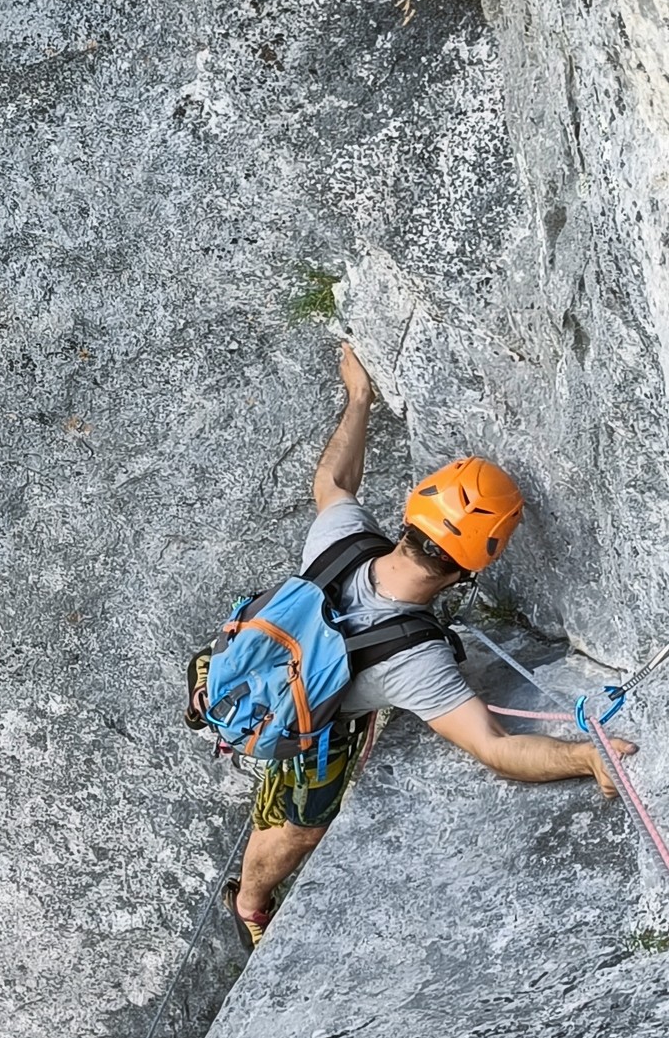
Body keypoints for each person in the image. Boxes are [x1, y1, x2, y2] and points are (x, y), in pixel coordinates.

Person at [231, 342, 637, 942]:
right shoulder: (416, 663)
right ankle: (249, 904)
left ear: (410, 517)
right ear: (469, 570)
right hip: (315, 726)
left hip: (256, 662)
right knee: (302, 826)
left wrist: (359, 397)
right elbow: (496, 749)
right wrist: (585, 758)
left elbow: (332, 480)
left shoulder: (341, 539)